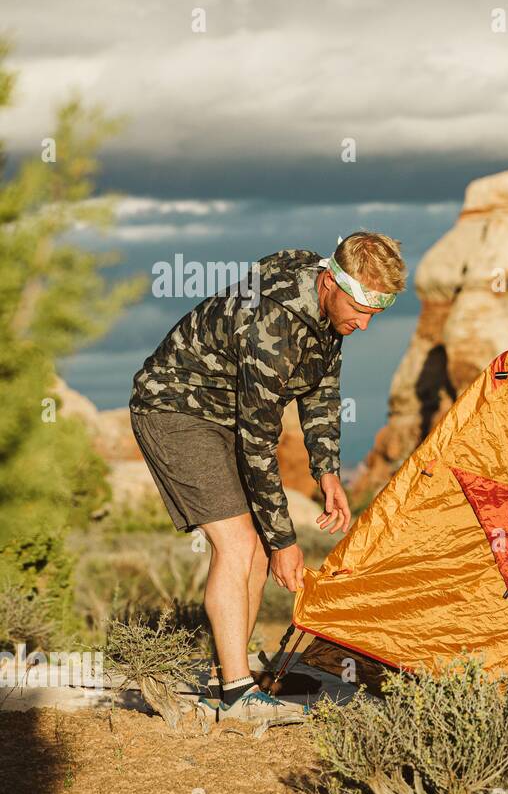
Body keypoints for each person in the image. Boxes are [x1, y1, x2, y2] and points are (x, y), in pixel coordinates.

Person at [129, 232, 406, 720]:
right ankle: (237, 695)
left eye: (375, 313)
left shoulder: (327, 315)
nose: (363, 324)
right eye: (360, 309)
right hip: (175, 410)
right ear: (330, 282)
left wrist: (328, 474)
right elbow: (259, 444)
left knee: (252, 548)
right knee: (240, 544)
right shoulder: (275, 321)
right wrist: (286, 541)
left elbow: (320, 391)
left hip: (225, 415)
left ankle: (228, 680)